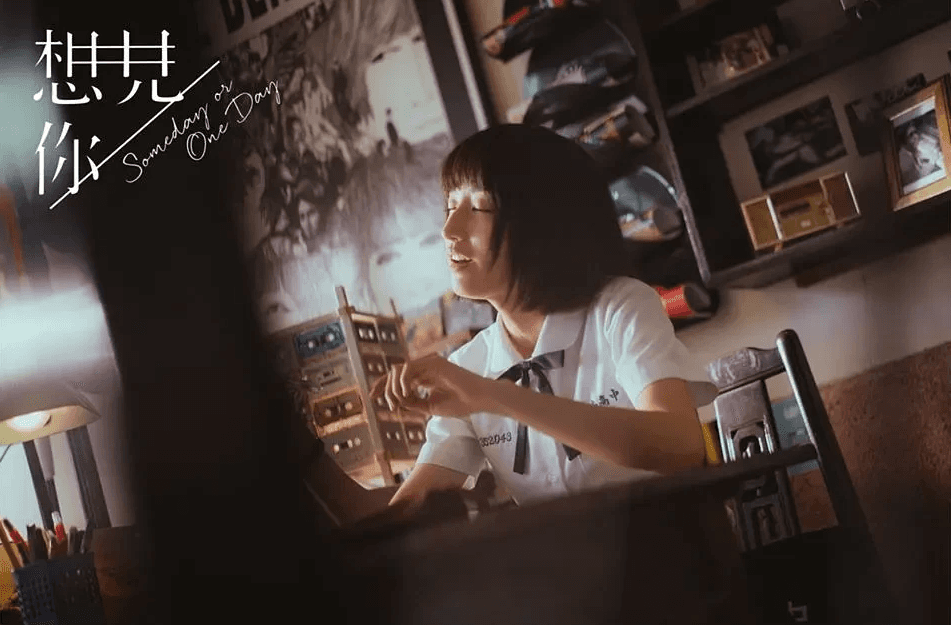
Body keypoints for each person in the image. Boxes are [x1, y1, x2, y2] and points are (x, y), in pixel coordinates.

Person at [369, 124, 719, 511]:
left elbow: (681, 445)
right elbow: (412, 508)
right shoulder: (470, 366)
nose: (449, 230)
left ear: (541, 222)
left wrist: (495, 397)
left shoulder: (619, 307)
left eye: (479, 207)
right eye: (451, 207)